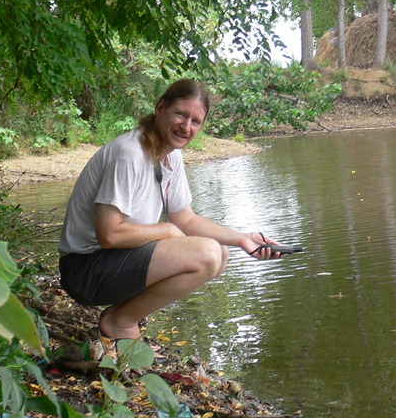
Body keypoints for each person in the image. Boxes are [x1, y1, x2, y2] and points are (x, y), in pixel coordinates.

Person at [58, 79, 281, 346]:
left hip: (112, 262)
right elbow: (109, 234)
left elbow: (185, 219)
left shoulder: (170, 155)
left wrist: (242, 239)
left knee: (219, 254)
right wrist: (167, 230)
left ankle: (123, 318)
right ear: (161, 108)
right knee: (207, 253)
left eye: (195, 122)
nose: (186, 127)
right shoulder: (129, 153)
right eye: (181, 115)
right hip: (85, 270)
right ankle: (120, 322)